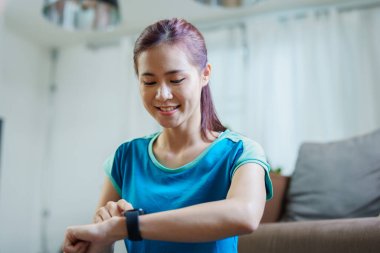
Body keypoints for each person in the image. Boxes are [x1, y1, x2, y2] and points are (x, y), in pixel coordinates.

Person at [62, 18, 273, 253]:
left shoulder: (241, 152)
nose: (162, 95)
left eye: (176, 80)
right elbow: (100, 243)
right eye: (149, 81)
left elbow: (245, 215)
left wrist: (127, 227)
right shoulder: (126, 158)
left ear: (205, 74)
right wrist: (102, 238)